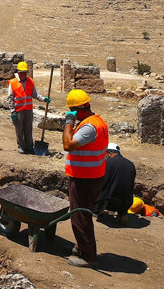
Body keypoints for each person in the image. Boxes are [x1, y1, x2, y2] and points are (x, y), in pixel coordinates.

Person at [62, 89, 109, 268]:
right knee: (83, 213)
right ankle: (81, 245)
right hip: (93, 176)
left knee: (80, 215)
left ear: (78, 109)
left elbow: (68, 145)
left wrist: (69, 122)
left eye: (71, 110)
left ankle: (87, 255)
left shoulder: (89, 127)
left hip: (84, 178)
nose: (70, 113)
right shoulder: (96, 121)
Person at [7, 61, 50, 154]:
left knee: (28, 129)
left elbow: (34, 94)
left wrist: (43, 99)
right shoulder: (13, 83)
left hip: (28, 110)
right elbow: (10, 98)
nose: (23, 74)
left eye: (25, 72)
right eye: (21, 72)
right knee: (19, 129)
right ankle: (21, 146)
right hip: (18, 111)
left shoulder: (30, 81)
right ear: (18, 72)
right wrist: (12, 111)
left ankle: (29, 147)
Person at [94, 143, 136, 225]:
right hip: (125, 203)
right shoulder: (131, 165)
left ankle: (99, 212)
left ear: (109, 153)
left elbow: (101, 183)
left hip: (108, 202)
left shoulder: (107, 162)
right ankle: (122, 214)